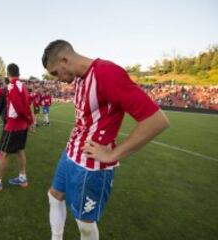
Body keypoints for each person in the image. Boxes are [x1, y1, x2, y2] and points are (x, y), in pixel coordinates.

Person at [42, 40, 170, 240]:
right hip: (70, 154)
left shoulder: (107, 73)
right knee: (53, 196)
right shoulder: (79, 79)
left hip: (91, 166)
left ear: (65, 60)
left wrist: (112, 154)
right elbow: (88, 116)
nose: (57, 79)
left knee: (84, 225)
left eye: (55, 73)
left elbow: (156, 121)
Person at [0, 63, 34, 193]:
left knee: (4, 153)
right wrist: (30, 121)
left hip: (13, 126)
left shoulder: (11, 86)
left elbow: (20, 107)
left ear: (8, 74)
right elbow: (28, 103)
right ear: (18, 73)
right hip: (22, 125)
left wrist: (30, 121)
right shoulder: (23, 86)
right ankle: (22, 178)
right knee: (20, 150)